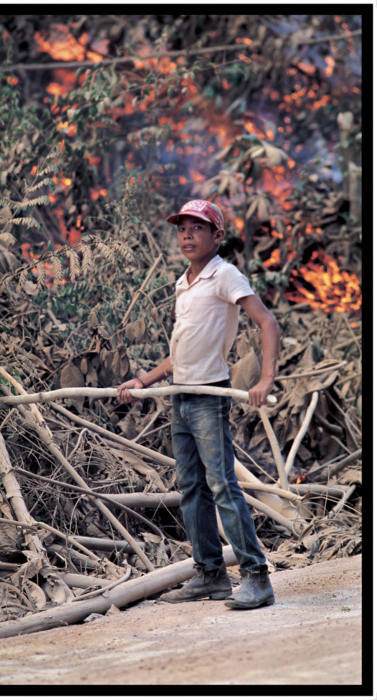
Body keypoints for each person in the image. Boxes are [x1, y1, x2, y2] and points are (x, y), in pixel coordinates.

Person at [117, 199, 280, 609]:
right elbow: (180, 356)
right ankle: (210, 574)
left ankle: (257, 578)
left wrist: (264, 380)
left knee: (223, 485)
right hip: (181, 396)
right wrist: (142, 380)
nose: (187, 234)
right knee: (191, 487)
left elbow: (267, 322)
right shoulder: (183, 283)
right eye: (181, 228)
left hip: (209, 397)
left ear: (217, 236)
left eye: (197, 227)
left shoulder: (225, 275)